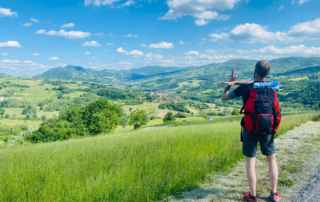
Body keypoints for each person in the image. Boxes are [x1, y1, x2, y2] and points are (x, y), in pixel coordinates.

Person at [222, 60, 282, 202]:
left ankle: (252, 196)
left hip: (250, 129)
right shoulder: (273, 86)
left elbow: (224, 98)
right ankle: (274, 194)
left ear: (254, 71)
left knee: (250, 161)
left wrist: (230, 83)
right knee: (271, 159)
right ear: (267, 73)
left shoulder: (246, 88)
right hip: (268, 129)